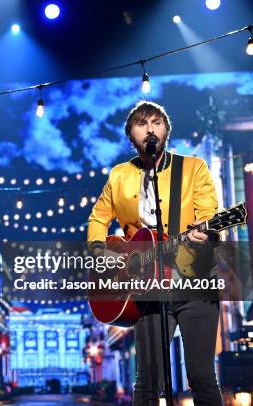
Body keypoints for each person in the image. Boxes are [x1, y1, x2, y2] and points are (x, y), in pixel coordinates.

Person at [87, 101, 223, 405]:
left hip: (194, 284)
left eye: (157, 122)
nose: (150, 128)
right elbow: (98, 218)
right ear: (132, 136)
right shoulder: (119, 176)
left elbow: (210, 215)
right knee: (147, 382)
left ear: (166, 130)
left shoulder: (193, 168)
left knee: (201, 376)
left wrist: (210, 234)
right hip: (147, 292)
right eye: (142, 124)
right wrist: (99, 250)